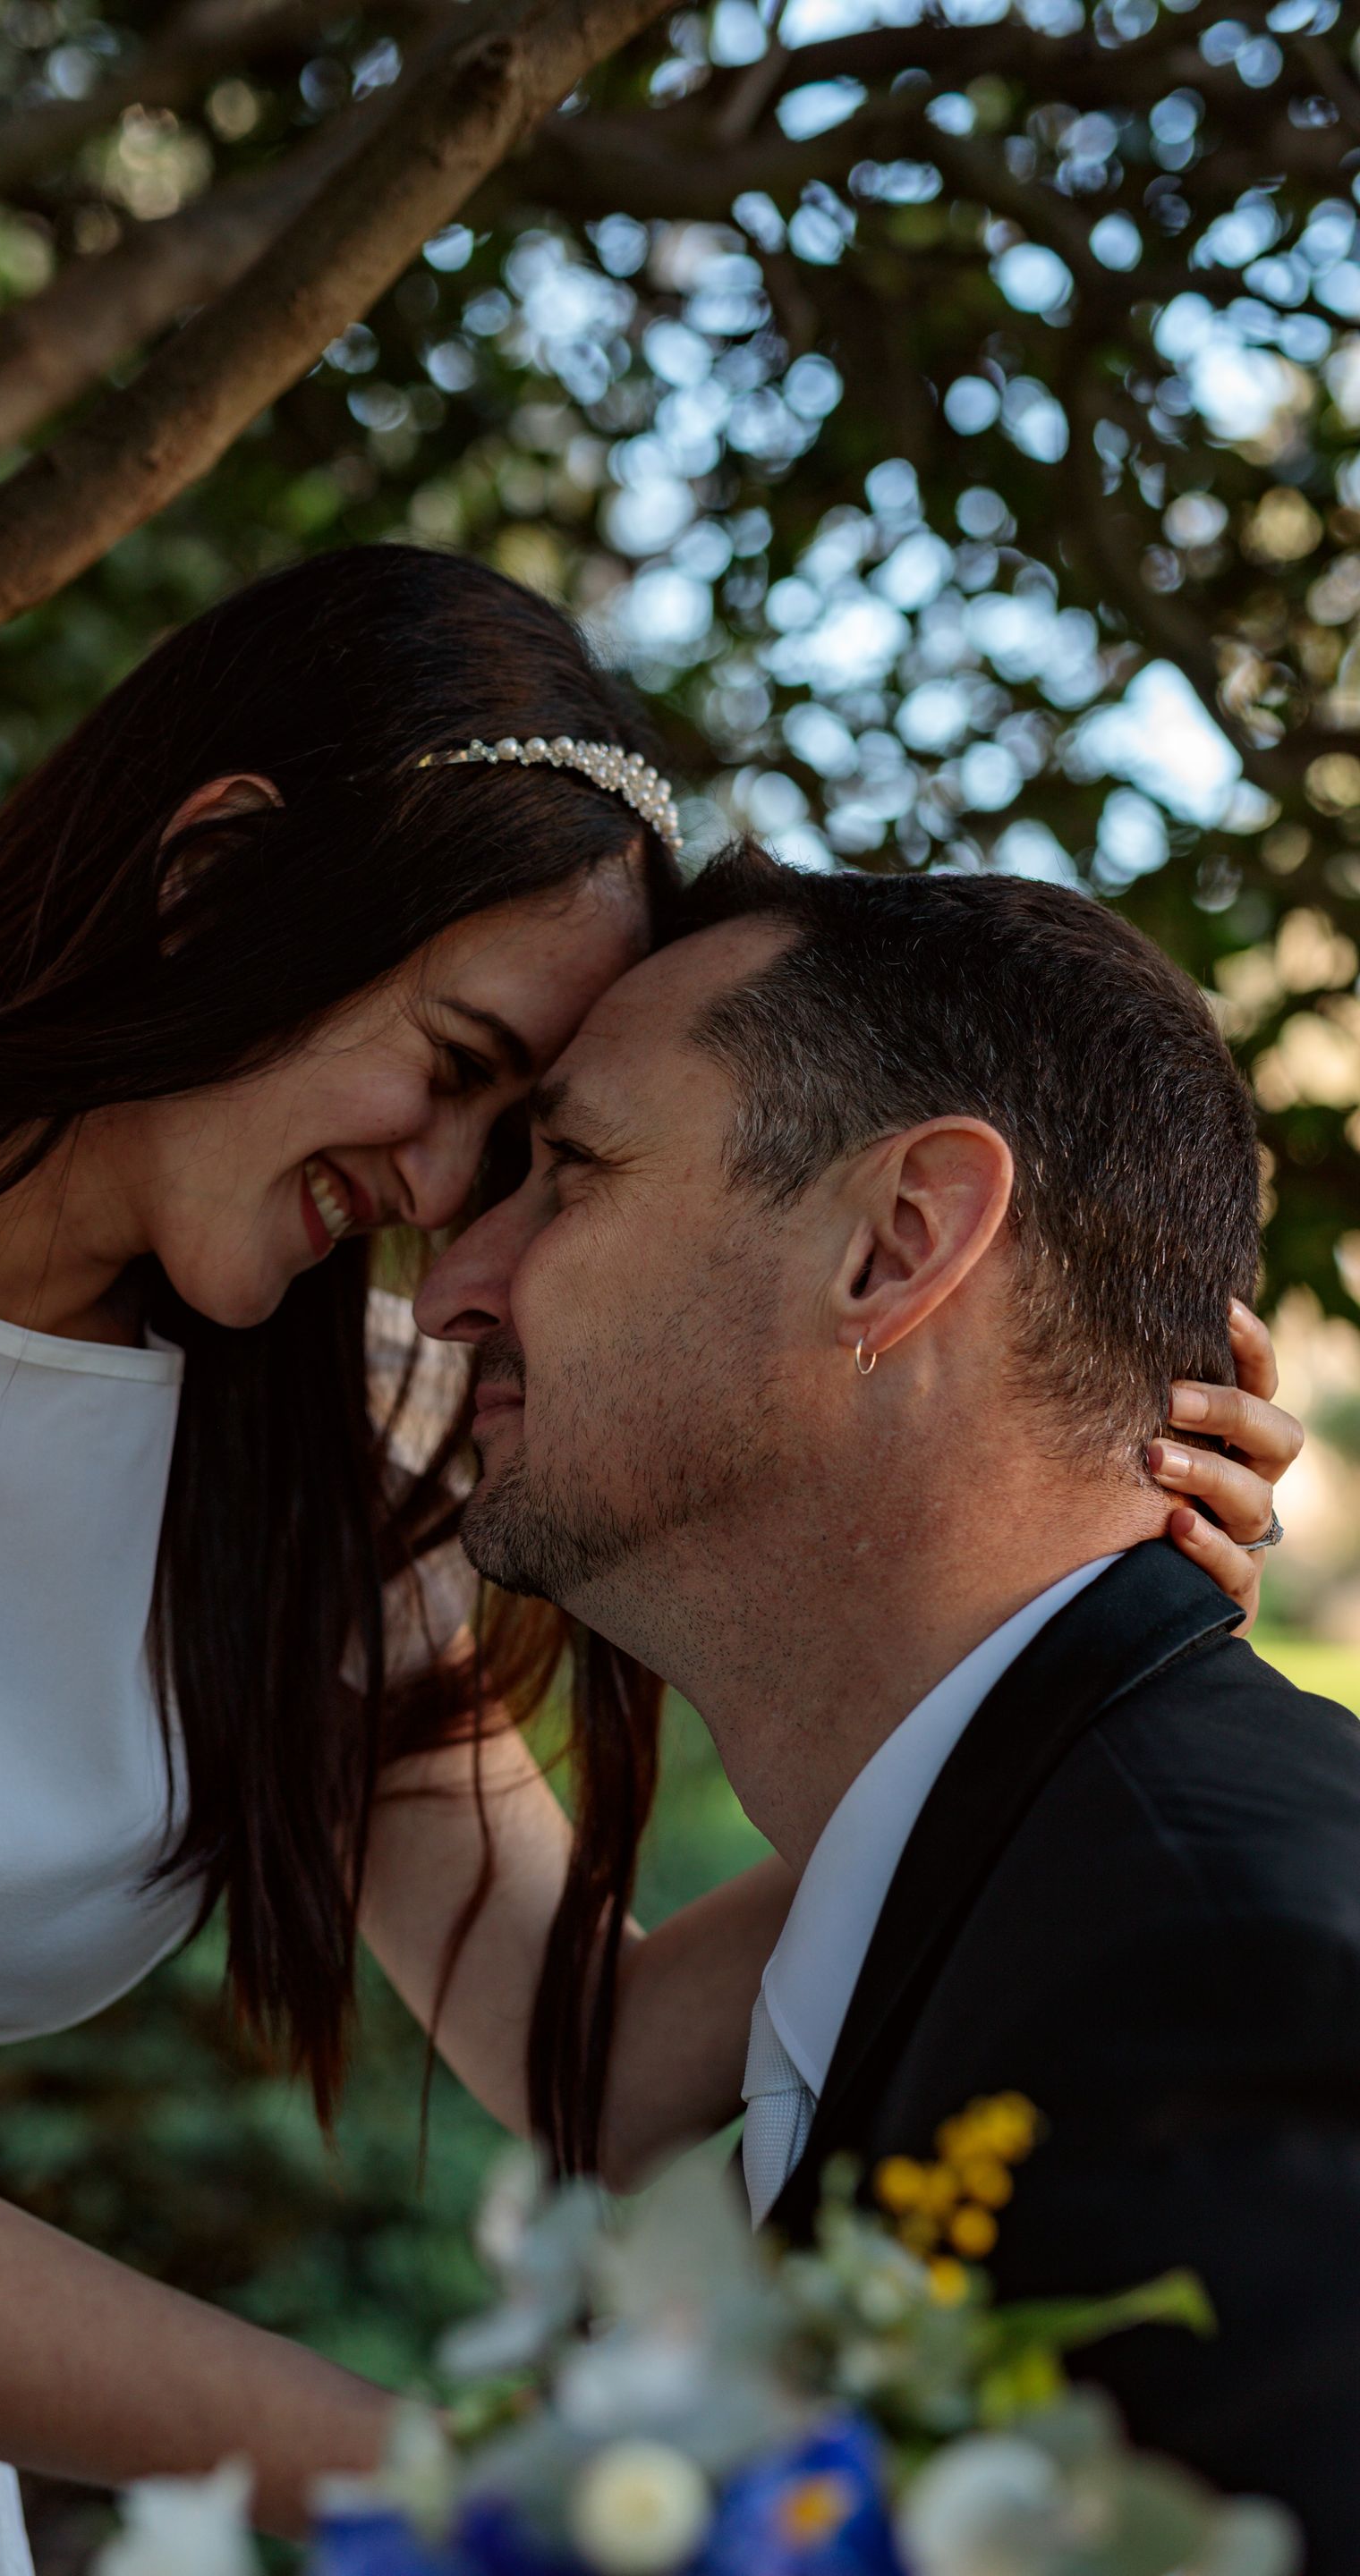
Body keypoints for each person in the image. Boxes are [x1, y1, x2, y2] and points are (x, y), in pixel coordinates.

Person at [0, 541, 1284, 2576]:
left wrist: (1054, 1664)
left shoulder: (302, 1435)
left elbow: (576, 2050)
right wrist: (505, 2500)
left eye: (524, 1151)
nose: (437, 1201)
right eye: (451, 1070)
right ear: (216, 878)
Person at [415, 852, 1353, 2560]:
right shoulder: (1038, 1859)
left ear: (899, 1244)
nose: (446, 1287)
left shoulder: (1222, 1988)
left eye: (566, 1170)